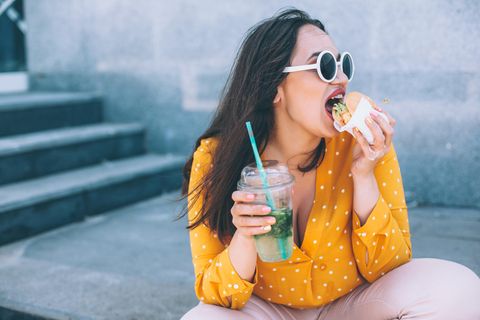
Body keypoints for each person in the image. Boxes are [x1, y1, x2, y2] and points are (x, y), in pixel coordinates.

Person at [177, 8, 480, 320]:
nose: (342, 77)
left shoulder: (363, 144)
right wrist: (245, 234)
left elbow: (391, 267)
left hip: (351, 304)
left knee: (460, 290)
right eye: (323, 66)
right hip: (266, 309)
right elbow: (215, 295)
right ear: (273, 88)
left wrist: (364, 177)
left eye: (342, 64)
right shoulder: (215, 158)